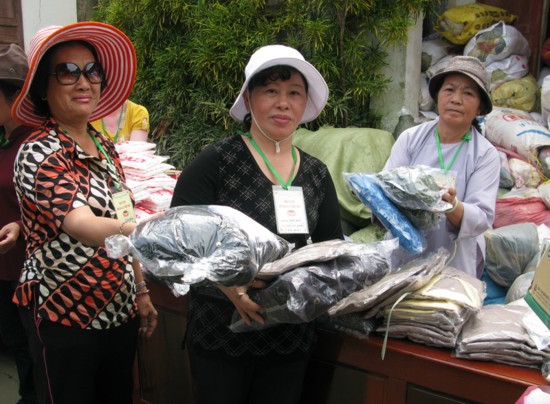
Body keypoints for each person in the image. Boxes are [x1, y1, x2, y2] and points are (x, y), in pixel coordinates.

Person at [170, 44, 343, 404]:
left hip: (290, 338)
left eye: (294, 93)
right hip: (222, 333)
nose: (283, 103)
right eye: (271, 91)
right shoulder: (217, 161)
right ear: (248, 98)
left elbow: (331, 247)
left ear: (305, 103)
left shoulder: (315, 173)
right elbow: (176, 242)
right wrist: (231, 286)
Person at [10, 22, 158, 404]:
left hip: (118, 311)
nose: (83, 82)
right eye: (67, 72)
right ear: (42, 88)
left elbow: (123, 212)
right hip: (64, 315)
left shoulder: (105, 146)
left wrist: (140, 289)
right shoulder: (38, 151)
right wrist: (154, 230)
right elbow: (82, 223)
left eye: (92, 71)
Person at [383, 55, 500, 278]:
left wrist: (452, 206)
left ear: (480, 108)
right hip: (404, 254)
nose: (456, 99)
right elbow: (386, 189)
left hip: (454, 259)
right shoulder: (410, 139)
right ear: (437, 97)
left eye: (468, 93)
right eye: (449, 90)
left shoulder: (485, 155)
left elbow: (481, 217)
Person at [0, 43, 37, 404]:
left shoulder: (36, 144)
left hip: (28, 267)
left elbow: (59, 206)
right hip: (4, 266)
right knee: (14, 341)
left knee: (31, 348)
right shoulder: (5, 138)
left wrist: (21, 226)